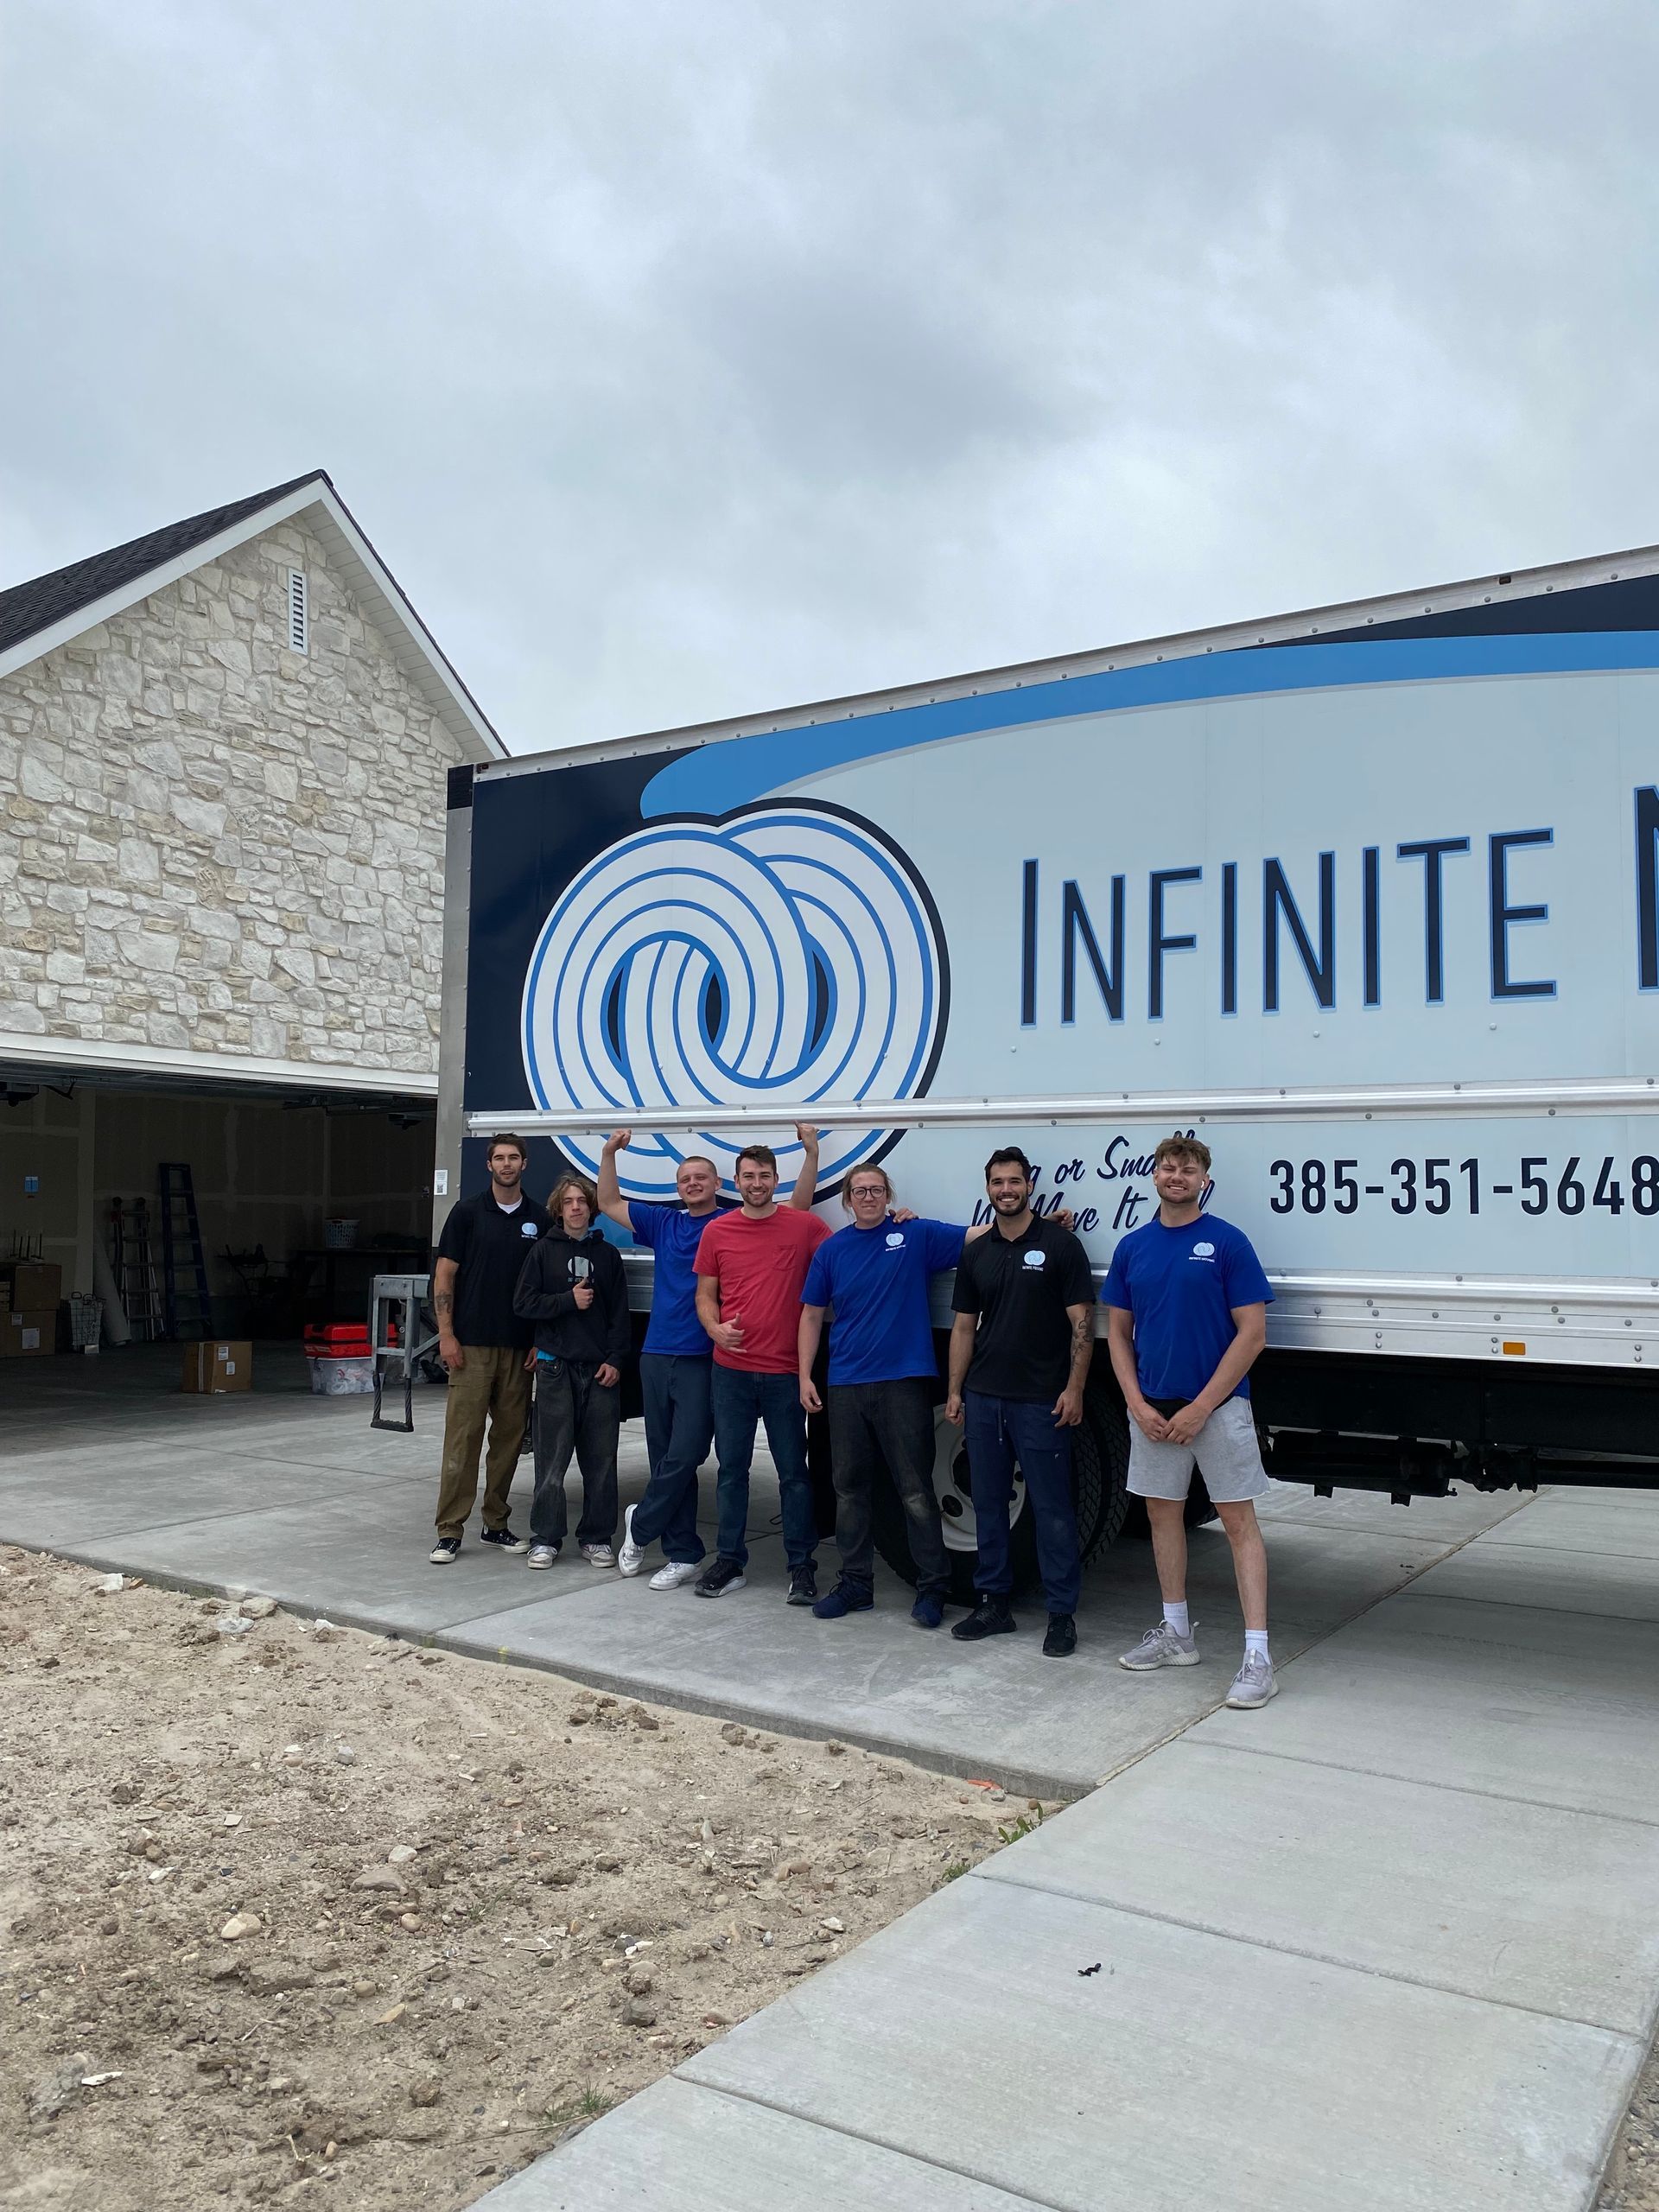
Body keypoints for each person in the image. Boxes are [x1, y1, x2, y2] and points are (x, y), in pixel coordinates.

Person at [601, 1126, 824, 1591]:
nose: (694, 1183)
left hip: (742, 1364)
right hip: (688, 1360)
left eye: (703, 1177)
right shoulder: (682, 1225)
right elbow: (610, 1205)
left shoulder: (765, 1222)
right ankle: (703, 1557)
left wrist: (813, 1154)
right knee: (697, 1464)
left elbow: (806, 1214)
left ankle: (644, 1522)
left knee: (729, 1462)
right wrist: (608, 1153)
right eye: (687, 1178)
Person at [1103, 1135, 1278, 1708]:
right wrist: (1136, 1402)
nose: (1176, 1175)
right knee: (1161, 1516)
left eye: (1188, 1167)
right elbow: (1119, 1335)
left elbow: (1253, 1334)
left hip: (1218, 1409)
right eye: (1167, 1166)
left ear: (1204, 1178)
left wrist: (1203, 1406)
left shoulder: (1227, 1243)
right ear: (1153, 1175)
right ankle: (1177, 1635)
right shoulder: (1133, 1248)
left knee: (1237, 1523)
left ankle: (1258, 1658)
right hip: (1153, 1410)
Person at [797, 1167, 976, 1631]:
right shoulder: (832, 1250)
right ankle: (855, 1584)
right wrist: (804, 1376)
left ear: (889, 1195)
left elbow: (979, 1235)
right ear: (847, 1200)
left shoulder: (914, 1235)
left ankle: (933, 1587)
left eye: (877, 1190)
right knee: (849, 1489)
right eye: (860, 1191)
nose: (869, 1197)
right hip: (847, 1384)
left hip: (903, 1381)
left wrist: (1041, 1225)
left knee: (915, 1489)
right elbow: (812, 1315)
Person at [944, 1147, 1096, 1656]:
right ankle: (993, 1603)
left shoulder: (1059, 1245)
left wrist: (1074, 1389)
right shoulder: (978, 1250)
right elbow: (964, 1326)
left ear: (1029, 1185)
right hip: (985, 1398)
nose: (1006, 1190)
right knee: (988, 1503)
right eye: (997, 1182)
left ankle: (1061, 1615)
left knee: (1053, 1509)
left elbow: (1082, 1324)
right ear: (987, 1188)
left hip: (1041, 1401)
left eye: (1015, 1181)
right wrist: (954, 1391)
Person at [693, 1141, 831, 1603]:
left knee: (794, 1473)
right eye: (748, 1176)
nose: (756, 1184)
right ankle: (729, 1561)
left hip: (785, 1373)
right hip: (730, 1371)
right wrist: (714, 1328)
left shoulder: (804, 1227)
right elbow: (705, 1294)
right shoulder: (718, 1230)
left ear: (777, 1181)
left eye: (764, 1176)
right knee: (732, 1470)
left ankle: (801, 1566)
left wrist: (899, 1220)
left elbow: (852, 1252)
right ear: (737, 1182)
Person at [427, 1134, 548, 1565]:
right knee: (463, 1441)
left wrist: (540, 1341)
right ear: (489, 1165)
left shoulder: (540, 1218)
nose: (507, 1164)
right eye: (500, 1158)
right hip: (471, 1347)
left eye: (514, 1157)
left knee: (509, 1442)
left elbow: (547, 1287)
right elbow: (445, 1277)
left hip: (520, 1349)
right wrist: (447, 1334)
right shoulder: (466, 1213)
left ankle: (496, 1524)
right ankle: (449, 1530)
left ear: (525, 1164)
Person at [512, 1173, 630, 1569]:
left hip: (599, 1372)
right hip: (554, 1371)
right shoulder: (542, 1252)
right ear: (558, 1209)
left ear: (592, 1207)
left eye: (582, 1201)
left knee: (600, 1462)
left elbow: (619, 1316)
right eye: (568, 1202)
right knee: (551, 1461)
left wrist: (615, 1360)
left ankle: (597, 1537)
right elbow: (524, 1304)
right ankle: (545, 1538)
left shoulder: (608, 1256)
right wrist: (567, 1300)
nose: (576, 1207)